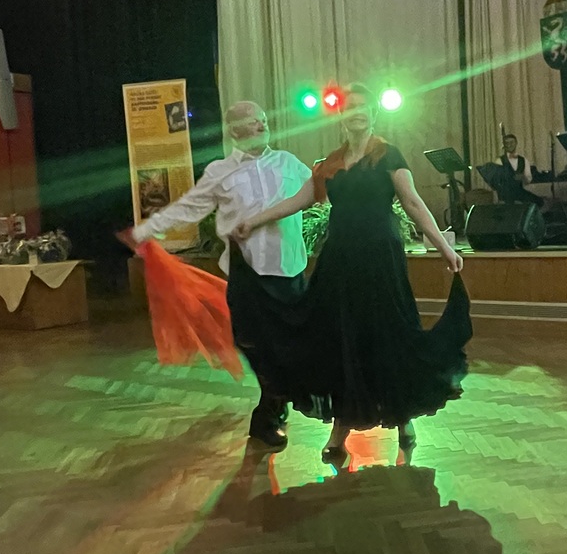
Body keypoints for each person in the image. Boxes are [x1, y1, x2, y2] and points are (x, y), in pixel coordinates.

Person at [231, 83, 471, 457]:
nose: (356, 111)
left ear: (373, 113)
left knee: (389, 335)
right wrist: (254, 220)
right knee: (341, 342)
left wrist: (444, 246)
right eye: (349, 106)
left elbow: (412, 202)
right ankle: (340, 429)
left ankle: (403, 419)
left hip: (381, 259)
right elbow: (298, 200)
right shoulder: (332, 161)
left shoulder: (388, 154)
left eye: (363, 106)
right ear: (341, 116)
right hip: (340, 261)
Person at [117, 101, 311, 448]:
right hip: (248, 274)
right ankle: (270, 413)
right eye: (253, 122)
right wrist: (144, 231)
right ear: (234, 131)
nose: (262, 126)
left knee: (292, 347)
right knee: (256, 346)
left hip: (290, 270)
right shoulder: (220, 171)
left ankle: (271, 410)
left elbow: (321, 191)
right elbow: (188, 207)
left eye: (263, 120)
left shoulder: (288, 163)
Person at [495, 133, 543, 206]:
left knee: (539, 202)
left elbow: (528, 179)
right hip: (505, 194)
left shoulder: (523, 160)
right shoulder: (499, 161)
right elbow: (496, 180)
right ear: (504, 145)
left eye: (511, 142)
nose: (509, 145)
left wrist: (523, 177)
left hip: (519, 192)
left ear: (516, 143)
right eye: (507, 143)